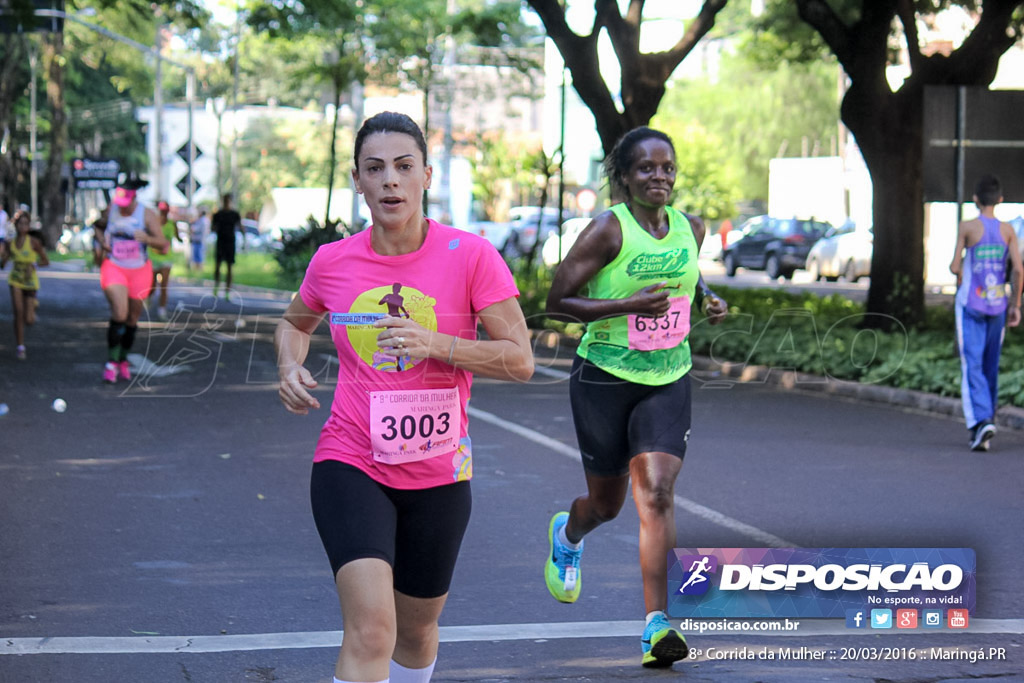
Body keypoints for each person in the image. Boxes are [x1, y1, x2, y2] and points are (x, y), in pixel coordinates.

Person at [275, 111, 533, 683]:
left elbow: (520, 359)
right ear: (358, 181)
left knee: (415, 634)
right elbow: (294, 323)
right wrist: (290, 364)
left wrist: (438, 343)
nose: (390, 180)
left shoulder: (470, 257)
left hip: (439, 472)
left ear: (426, 176)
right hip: (351, 460)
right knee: (371, 631)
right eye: (375, 169)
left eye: (403, 166)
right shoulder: (333, 260)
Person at [544, 126, 728, 668]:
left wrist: (709, 298)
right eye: (646, 168)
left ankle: (657, 626)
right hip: (604, 377)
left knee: (658, 492)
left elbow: (688, 280)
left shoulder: (689, 228)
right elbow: (558, 301)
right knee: (607, 504)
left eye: (667, 167)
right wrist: (626, 306)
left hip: (667, 374)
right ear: (624, 177)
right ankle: (569, 532)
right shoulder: (607, 230)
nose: (660, 177)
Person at [949, 173, 1023, 451]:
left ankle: (981, 422)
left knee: (973, 363)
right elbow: (1018, 269)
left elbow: (955, 266)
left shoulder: (967, 227)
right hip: (999, 306)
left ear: (975, 199)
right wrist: (1015, 305)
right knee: (991, 365)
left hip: (971, 306)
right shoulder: (1007, 231)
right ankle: (987, 420)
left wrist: (964, 262)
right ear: (1000, 200)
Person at [92, 179, 170, 383]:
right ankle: (111, 362)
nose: (123, 207)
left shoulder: (146, 214)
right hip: (114, 267)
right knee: (120, 312)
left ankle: (122, 360)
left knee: (132, 319)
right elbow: (97, 227)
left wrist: (148, 239)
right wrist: (102, 241)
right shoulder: (112, 209)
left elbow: (163, 243)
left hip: (139, 270)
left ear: (134, 198)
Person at [0, 210, 49, 359]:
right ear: (16, 225)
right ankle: (20, 346)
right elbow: (3, 264)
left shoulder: (34, 242)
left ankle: (33, 305)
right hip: (15, 280)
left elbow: (45, 261)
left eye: (26, 224)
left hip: (30, 281)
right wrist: (2, 255)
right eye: (20, 223)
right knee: (18, 312)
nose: (23, 226)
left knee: (29, 320)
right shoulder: (11, 243)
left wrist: (33, 265)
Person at [149, 200, 181, 320]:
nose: (163, 213)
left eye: (165, 211)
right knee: (152, 284)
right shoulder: (153, 223)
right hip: (153, 257)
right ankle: (150, 297)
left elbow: (178, 237)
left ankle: (162, 309)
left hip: (166, 257)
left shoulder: (172, 224)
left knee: (164, 285)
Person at [212, 194, 243, 298]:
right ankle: (216, 286)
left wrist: (244, 239)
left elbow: (241, 226)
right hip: (220, 242)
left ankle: (227, 291)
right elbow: (213, 227)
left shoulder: (235, 214)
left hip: (230, 242)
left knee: (229, 267)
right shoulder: (218, 214)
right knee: (218, 265)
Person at [188, 207, 209, 272]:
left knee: (198, 256)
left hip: (198, 241)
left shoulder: (201, 221)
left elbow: (194, 229)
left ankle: (198, 269)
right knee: (199, 256)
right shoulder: (206, 220)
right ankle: (198, 269)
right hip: (201, 240)